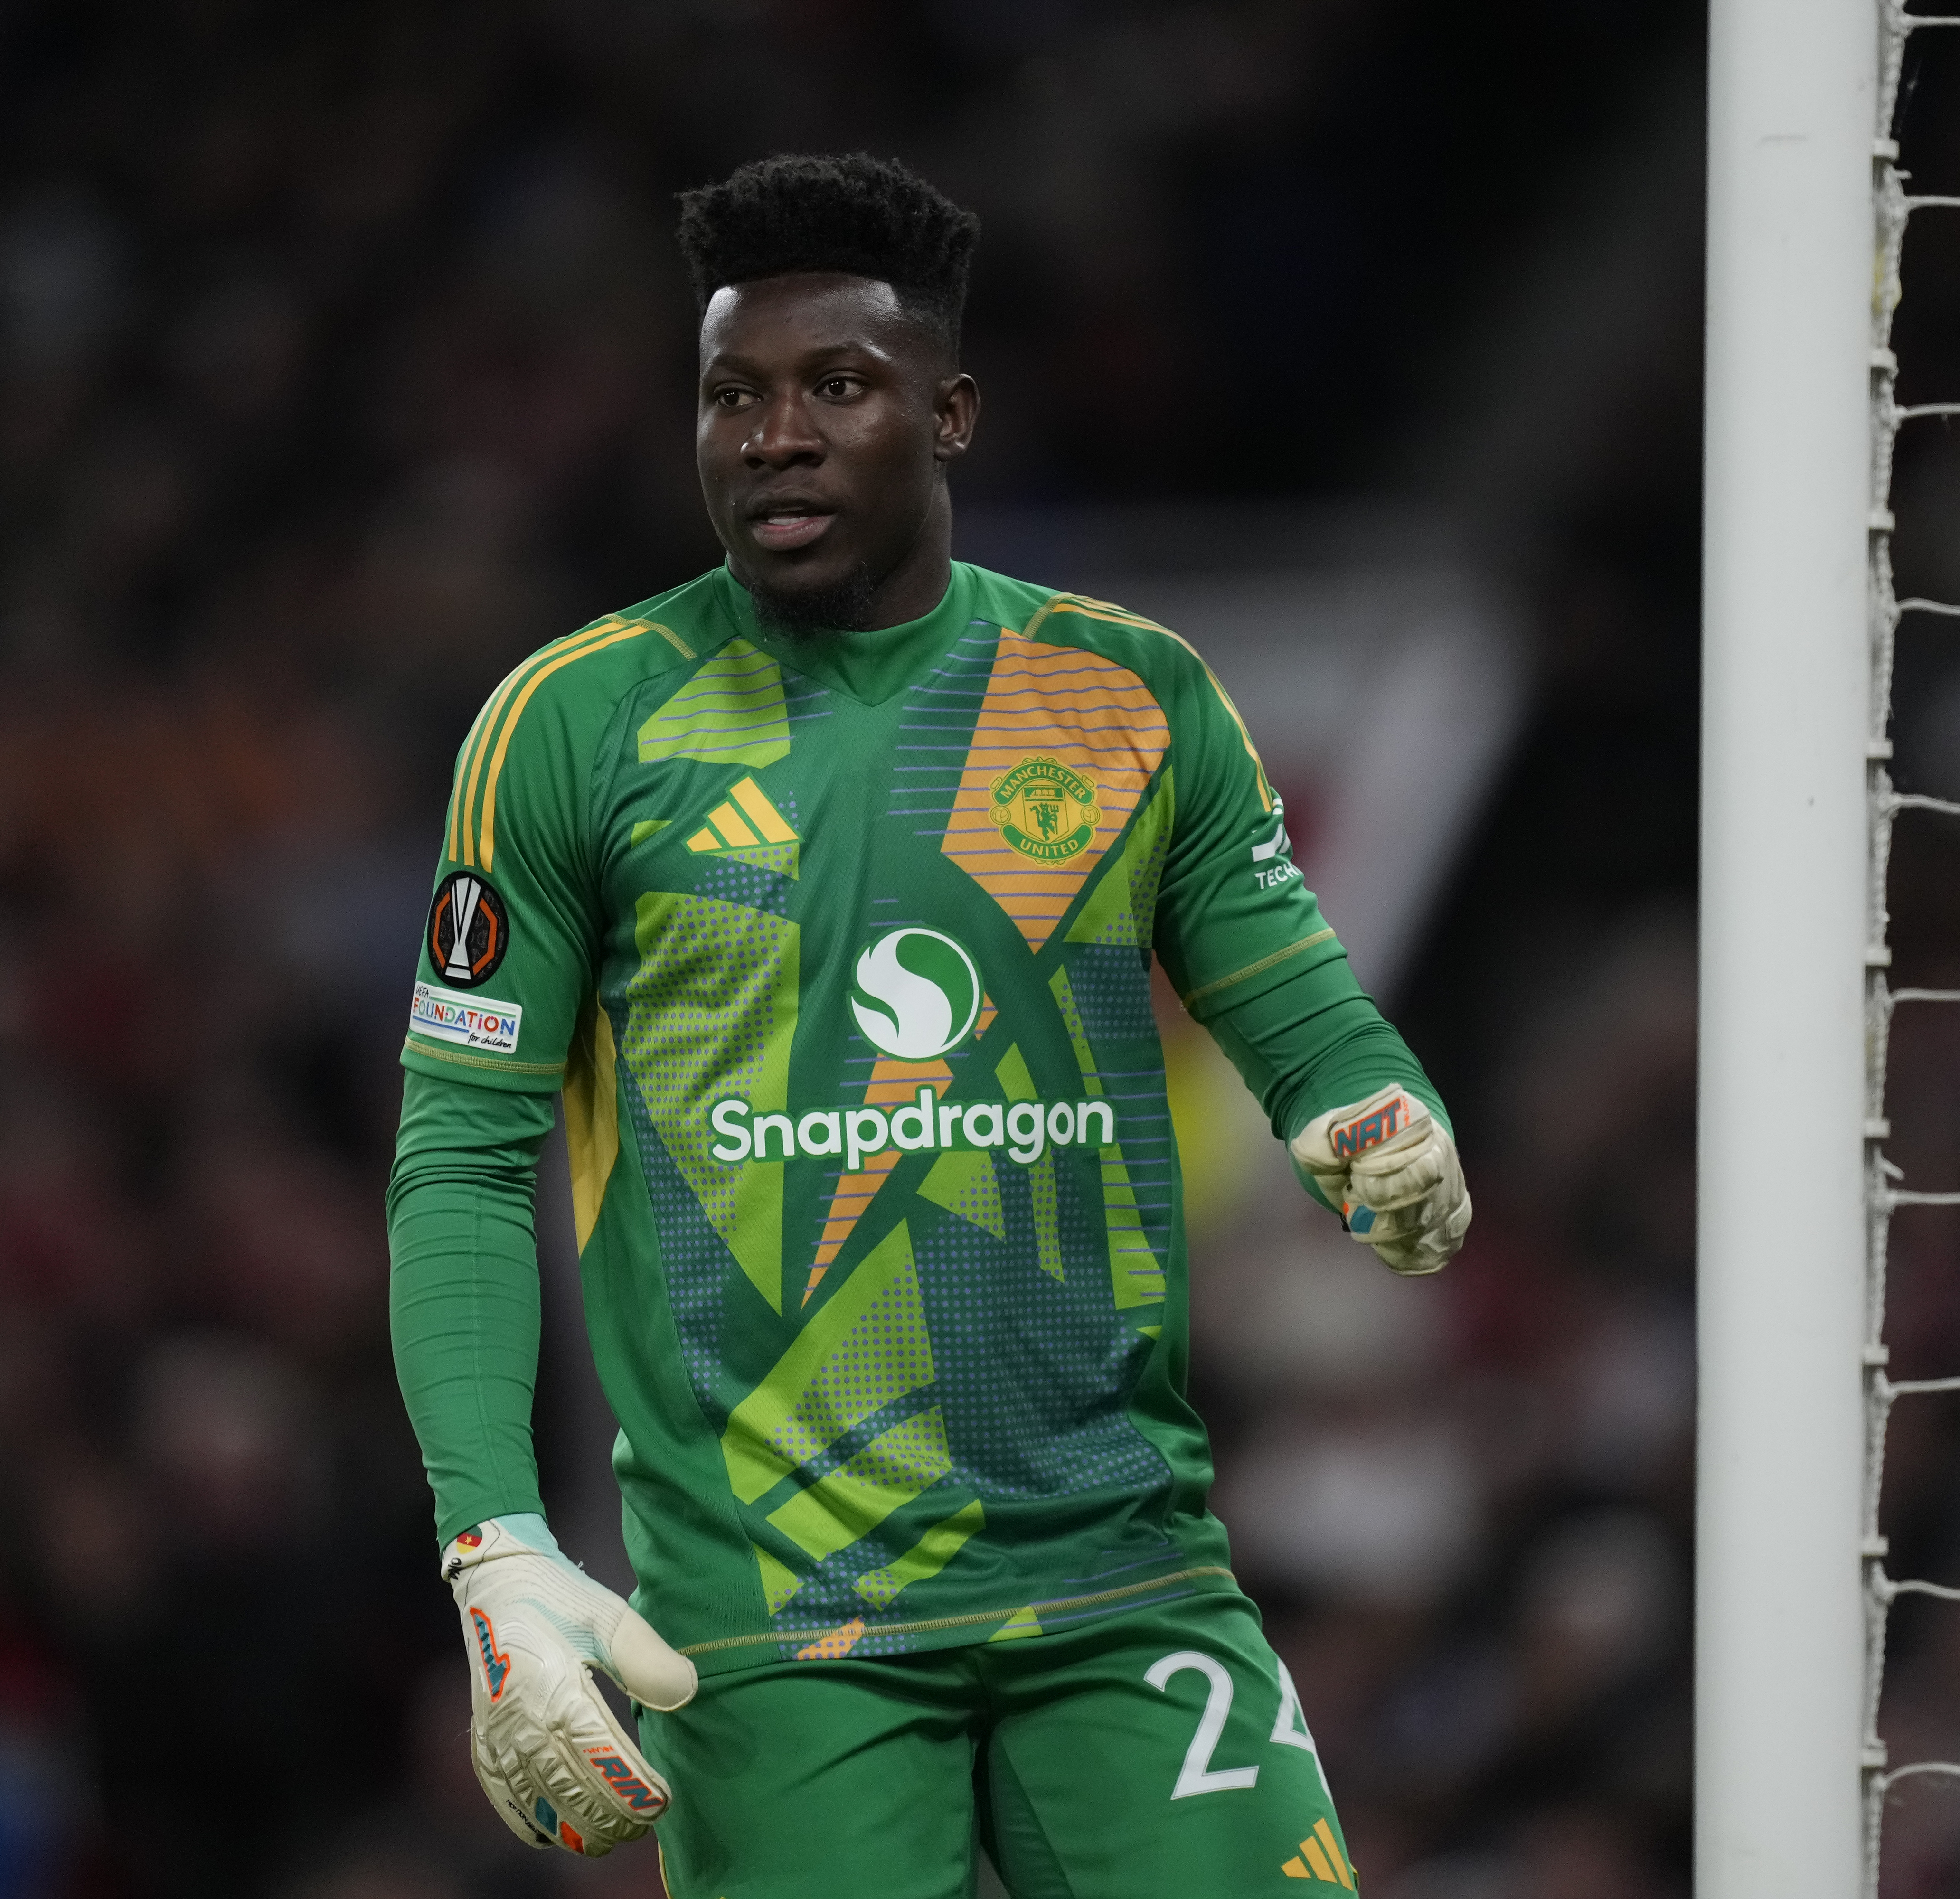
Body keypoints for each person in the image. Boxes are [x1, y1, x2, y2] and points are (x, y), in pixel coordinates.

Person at [385, 151, 1469, 1899]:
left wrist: (1375, 1110)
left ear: (951, 412)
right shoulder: (575, 730)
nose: (774, 435)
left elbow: (1298, 1002)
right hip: (777, 1621)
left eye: (837, 387)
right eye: (734, 393)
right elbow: (457, 1162)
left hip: (1128, 1582)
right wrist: (495, 1545)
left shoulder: (1127, 696)